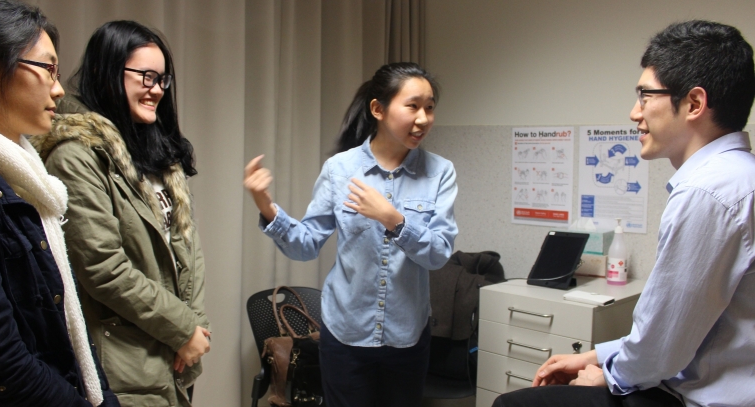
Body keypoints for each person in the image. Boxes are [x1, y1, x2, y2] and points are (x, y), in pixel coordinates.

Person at [494, 21, 755, 407]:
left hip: (694, 398)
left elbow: (662, 348)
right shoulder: (737, 178)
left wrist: (607, 374)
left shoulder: (707, 192)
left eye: (645, 96)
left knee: (511, 404)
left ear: (694, 104)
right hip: (693, 377)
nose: (635, 112)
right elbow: (680, 329)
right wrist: (596, 355)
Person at [244, 62, 458, 407]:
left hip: (407, 337)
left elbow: (438, 253)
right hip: (345, 335)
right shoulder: (341, 169)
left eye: (430, 107)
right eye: (413, 106)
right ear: (378, 109)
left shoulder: (439, 172)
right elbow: (306, 245)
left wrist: (394, 220)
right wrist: (267, 207)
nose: (423, 119)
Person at [32, 20, 211, 407]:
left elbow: (187, 249)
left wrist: (196, 327)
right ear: (105, 72)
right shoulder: (75, 155)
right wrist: (182, 328)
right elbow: (102, 267)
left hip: (172, 358)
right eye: (146, 76)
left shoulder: (158, 154)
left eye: (163, 79)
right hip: (124, 364)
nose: (157, 89)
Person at [0, 0, 120, 407]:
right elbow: (1, 358)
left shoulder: (29, 178)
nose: (59, 90)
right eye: (47, 69)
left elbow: (63, 321)